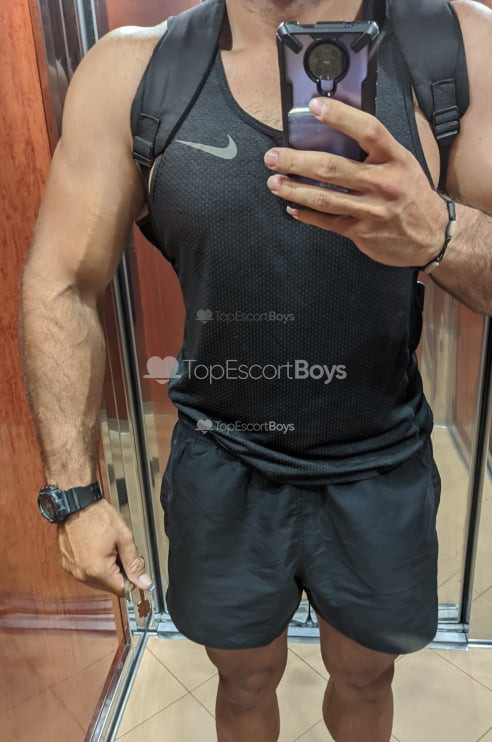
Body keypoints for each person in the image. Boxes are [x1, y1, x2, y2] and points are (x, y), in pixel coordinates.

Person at [19, 1, 492, 741]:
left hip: (380, 459)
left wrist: (441, 232)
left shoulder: (458, 48)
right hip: (223, 463)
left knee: (368, 676)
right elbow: (62, 283)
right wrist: (75, 496)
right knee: (242, 681)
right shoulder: (133, 72)